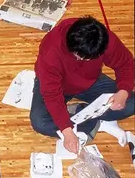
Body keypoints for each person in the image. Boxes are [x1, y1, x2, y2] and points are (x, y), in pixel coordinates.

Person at [30, 16, 134, 154]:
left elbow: (126, 64)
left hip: (90, 82)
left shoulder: (103, 39)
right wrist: (67, 131)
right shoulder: (51, 50)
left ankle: (83, 115)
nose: (85, 61)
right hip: (57, 85)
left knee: (131, 103)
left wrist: (123, 91)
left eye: (91, 58)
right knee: (40, 122)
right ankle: (99, 122)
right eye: (81, 57)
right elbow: (51, 93)